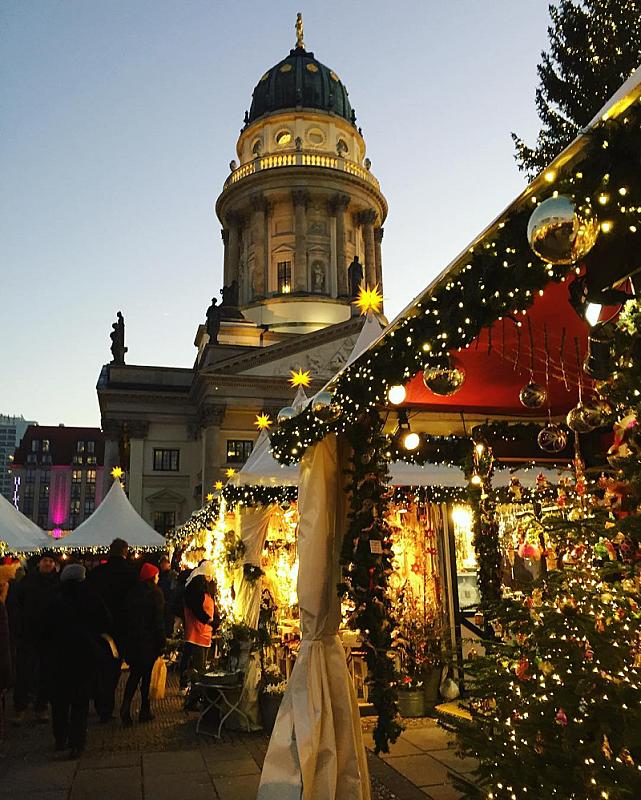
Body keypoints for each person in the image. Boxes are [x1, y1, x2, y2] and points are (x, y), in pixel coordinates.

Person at [41, 564, 111, 758]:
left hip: (58, 656)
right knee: (80, 702)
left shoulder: (54, 598)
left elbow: (43, 628)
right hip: (83, 655)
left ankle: (60, 738)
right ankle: (77, 743)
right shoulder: (91, 596)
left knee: (59, 701)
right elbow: (105, 620)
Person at [87, 538, 136, 721]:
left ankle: (100, 702)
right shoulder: (130, 574)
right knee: (113, 669)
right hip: (120, 628)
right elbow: (132, 603)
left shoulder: (97, 573)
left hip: (98, 627)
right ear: (125, 551)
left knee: (99, 665)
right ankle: (106, 705)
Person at [10, 551, 59, 724]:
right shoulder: (27, 582)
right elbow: (16, 605)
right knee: (24, 672)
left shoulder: (57, 583)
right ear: (39, 563)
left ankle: (41, 706)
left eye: (51, 561)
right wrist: (20, 626)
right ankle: (20, 707)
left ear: (54, 565)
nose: (47, 564)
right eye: (45, 560)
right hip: (28, 634)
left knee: (45, 673)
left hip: (49, 636)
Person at [120, 563, 165, 726]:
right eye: (157, 575)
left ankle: (126, 707)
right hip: (149, 642)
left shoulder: (132, 593)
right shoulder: (155, 595)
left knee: (134, 675)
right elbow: (158, 621)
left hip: (134, 641)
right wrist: (162, 642)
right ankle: (144, 709)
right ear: (152, 577)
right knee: (145, 677)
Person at [179, 561, 217, 687]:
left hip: (204, 632)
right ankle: (195, 692)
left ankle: (193, 688)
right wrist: (208, 619)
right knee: (198, 666)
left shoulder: (203, 587)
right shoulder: (197, 587)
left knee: (199, 663)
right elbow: (196, 608)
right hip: (197, 632)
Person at [158, 555, 177, 638]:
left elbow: (173, 590)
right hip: (163, 604)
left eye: (165, 563)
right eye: (161, 563)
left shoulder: (173, 575)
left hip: (169, 605)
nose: (162, 565)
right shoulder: (160, 576)